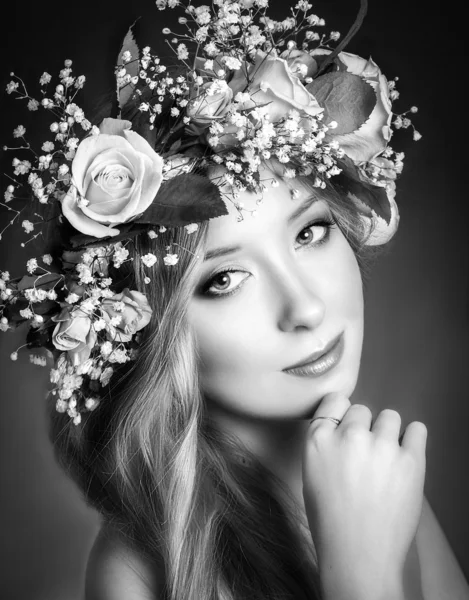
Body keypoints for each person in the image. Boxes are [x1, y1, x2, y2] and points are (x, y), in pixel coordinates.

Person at [1, 0, 468, 599]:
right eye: (223, 280)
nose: (306, 309)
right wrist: (361, 572)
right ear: (145, 333)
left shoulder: (369, 475)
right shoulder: (139, 577)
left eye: (310, 232)